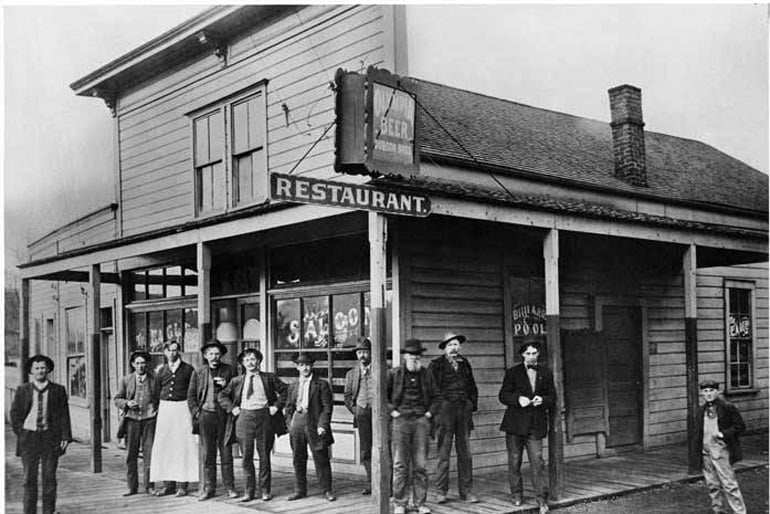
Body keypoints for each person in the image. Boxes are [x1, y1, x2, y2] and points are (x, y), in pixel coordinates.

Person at [218, 348, 287, 502]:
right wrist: (232, 408)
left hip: (264, 417)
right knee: (246, 457)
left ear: (259, 361)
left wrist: (276, 406)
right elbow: (222, 395)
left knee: (264, 456)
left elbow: (285, 391)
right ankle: (249, 491)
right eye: (247, 359)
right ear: (243, 363)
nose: (250, 362)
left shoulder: (269, 378)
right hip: (244, 418)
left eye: (253, 359)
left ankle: (265, 491)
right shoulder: (237, 381)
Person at [10, 354, 73, 514]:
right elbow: (14, 414)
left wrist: (65, 436)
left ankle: (48, 511)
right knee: (29, 479)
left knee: (49, 478)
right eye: (37, 368)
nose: (40, 371)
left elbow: (64, 415)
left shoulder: (58, 390)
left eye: (43, 368)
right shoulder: (22, 390)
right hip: (29, 439)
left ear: (48, 370)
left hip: (49, 439)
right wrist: (22, 432)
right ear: (31, 371)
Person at [499, 338, 554, 514]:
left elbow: (552, 397)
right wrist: (518, 399)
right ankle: (516, 495)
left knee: (537, 462)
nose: (531, 357)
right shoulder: (513, 372)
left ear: (538, 354)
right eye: (528, 353)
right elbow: (503, 395)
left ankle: (542, 500)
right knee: (514, 461)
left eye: (534, 353)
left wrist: (543, 400)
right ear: (522, 354)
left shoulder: (546, 372)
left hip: (535, 424)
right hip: (515, 424)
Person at [387, 338, 439, 514]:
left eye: (417, 355)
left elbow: (437, 397)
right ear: (405, 356)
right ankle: (400, 503)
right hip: (400, 422)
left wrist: (429, 414)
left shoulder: (427, 375)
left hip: (420, 422)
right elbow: (382, 397)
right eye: (411, 355)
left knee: (420, 465)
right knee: (400, 464)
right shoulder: (394, 374)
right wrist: (392, 411)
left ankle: (419, 503)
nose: (414, 358)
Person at [429, 331, 479, 504]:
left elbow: (472, 386)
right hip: (445, 413)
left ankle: (466, 491)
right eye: (450, 345)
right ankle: (441, 492)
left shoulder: (465, 363)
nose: (454, 348)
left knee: (465, 453)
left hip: (463, 412)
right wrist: (439, 408)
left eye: (456, 344)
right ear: (444, 348)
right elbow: (431, 389)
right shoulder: (436, 365)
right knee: (443, 453)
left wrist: (471, 404)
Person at [187, 340, 238, 501]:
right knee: (208, 454)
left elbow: (238, 393)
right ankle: (209, 488)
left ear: (221, 355)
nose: (214, 357)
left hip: (224, 416)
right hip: (206, 416)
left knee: (226, 454)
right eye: (210, 354)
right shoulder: (199, 372)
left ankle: (229, 487)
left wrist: (226, 386)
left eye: (217, 353)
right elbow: (191, 395)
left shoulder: (230, 370)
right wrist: (197, 413)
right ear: (205, 355)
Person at [284, 352, 336, 502]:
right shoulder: (293, 385)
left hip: (314, 423)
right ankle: (299, 490)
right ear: (297, 367)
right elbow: (288, 407)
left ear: (311, 366)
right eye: (301, 365)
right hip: (297, 423)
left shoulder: (321, 384)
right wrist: (290, 424)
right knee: (298, 458)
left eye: (307, 364)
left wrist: (322, 425)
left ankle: (326, 490)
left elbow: (327, 408)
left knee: (321, 457)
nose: (304, 368)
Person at [150, 340, 199, 496]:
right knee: (165, 446)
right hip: (165, 410)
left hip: (182, 409)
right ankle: (168, 484)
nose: (173, 353)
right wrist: (157, 409)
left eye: (175, 350)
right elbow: (155, 392)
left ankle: (182, 485)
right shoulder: (161, 370)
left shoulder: (188, 370)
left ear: (179, 351)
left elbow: (193, 392)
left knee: (182, 445)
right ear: (165, 352)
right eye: (170, 350)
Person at [694, 380, 747, 514]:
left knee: (729, 485)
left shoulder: (727, 407)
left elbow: (740, 427)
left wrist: (723, 434)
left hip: (721, 451)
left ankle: (739, 511)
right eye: (705, 391)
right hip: (706, 452)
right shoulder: (701, 410)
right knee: (712, 485)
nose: (709, 394)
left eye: (711, 390)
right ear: (702, 393)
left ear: (718, 391)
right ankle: (719, 510)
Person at [114, 350, 159, 496]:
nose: (140, 366)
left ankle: (149, 486)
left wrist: (155, 410)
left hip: (149, 420)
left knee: (149, 454)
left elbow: (159, 399)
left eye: (143, 363)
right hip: (132, 421)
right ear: (133, 364)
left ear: (147, 364)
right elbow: (117, 399)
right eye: (138, 363)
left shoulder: (154, 379)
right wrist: (127, 403)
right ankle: (131, 487)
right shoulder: (126, 380)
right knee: (131, 455)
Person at [343, 336, 374, 495]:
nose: (362, 355)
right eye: (359, 352)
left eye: (365, 352)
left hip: (379, 416)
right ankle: (371, 483)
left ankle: (386, 483)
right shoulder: (351, 374)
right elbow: (347, 397)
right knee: (366, 450)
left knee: (384, 448)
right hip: (361, 414)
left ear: (371, 353)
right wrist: (356, 411)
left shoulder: (382, 369)